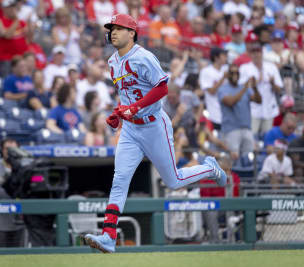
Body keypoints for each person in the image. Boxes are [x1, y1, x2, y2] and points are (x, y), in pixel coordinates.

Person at [82, 14, 227, 253]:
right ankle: (108, 235)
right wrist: (118, 113)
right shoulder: (111, 62)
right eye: (112, 28)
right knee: (119, 179)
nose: (113, 32)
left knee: (173, 180)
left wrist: (134, 108)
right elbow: (128, 96)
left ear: (132, 33)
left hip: (153, 125)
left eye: (119, 28)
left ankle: (210, 168)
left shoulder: (144, 57)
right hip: (130, 129)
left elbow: (162, 88)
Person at [218, 64, 262, 160]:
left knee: (248, 159)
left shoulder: (243, 88)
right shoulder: (223, 89)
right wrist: (245, 88)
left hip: (247, 128)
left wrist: (254, 88)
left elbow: (259, 100)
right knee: (232, 160)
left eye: (237, 72)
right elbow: (230, 102)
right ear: (227, 74)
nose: (235, 75)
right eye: (232, 72)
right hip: (231, 130)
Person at [198, 47, 228, 130]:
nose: (226, 57)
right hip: (212, 113)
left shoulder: (227, 70)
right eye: (223, 55)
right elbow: (211, 91)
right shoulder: (206, 71)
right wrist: (223, 78)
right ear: (216, 57)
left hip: (227, 114)